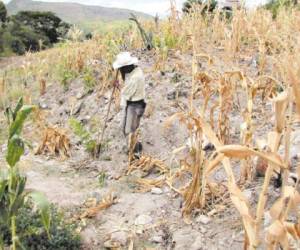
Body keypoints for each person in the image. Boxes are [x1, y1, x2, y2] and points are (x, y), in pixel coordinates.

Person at [113, 52, 146, 153]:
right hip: (133, 103)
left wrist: (118, 86)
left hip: (134, 105)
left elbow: (126, 94)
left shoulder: (135, 78)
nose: (121, 70)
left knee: (129, 130)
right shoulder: (135, 70)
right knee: (127, 128)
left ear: (127, 66)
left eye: (122, 68)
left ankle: (136, 153)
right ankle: (134, 147)